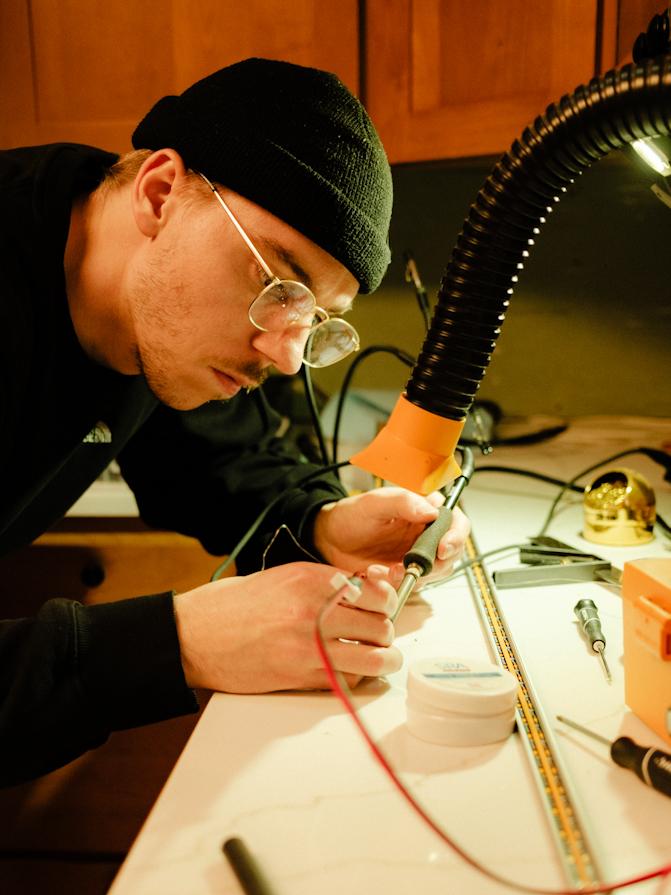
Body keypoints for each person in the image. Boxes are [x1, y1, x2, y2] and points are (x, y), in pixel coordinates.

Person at [0, 58, 469, 787]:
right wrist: (177, 642)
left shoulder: (151, 313)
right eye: (276, 281)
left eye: (313, 321)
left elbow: (204, 464)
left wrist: (319, 522)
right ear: (160, 193)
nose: (285, 357)